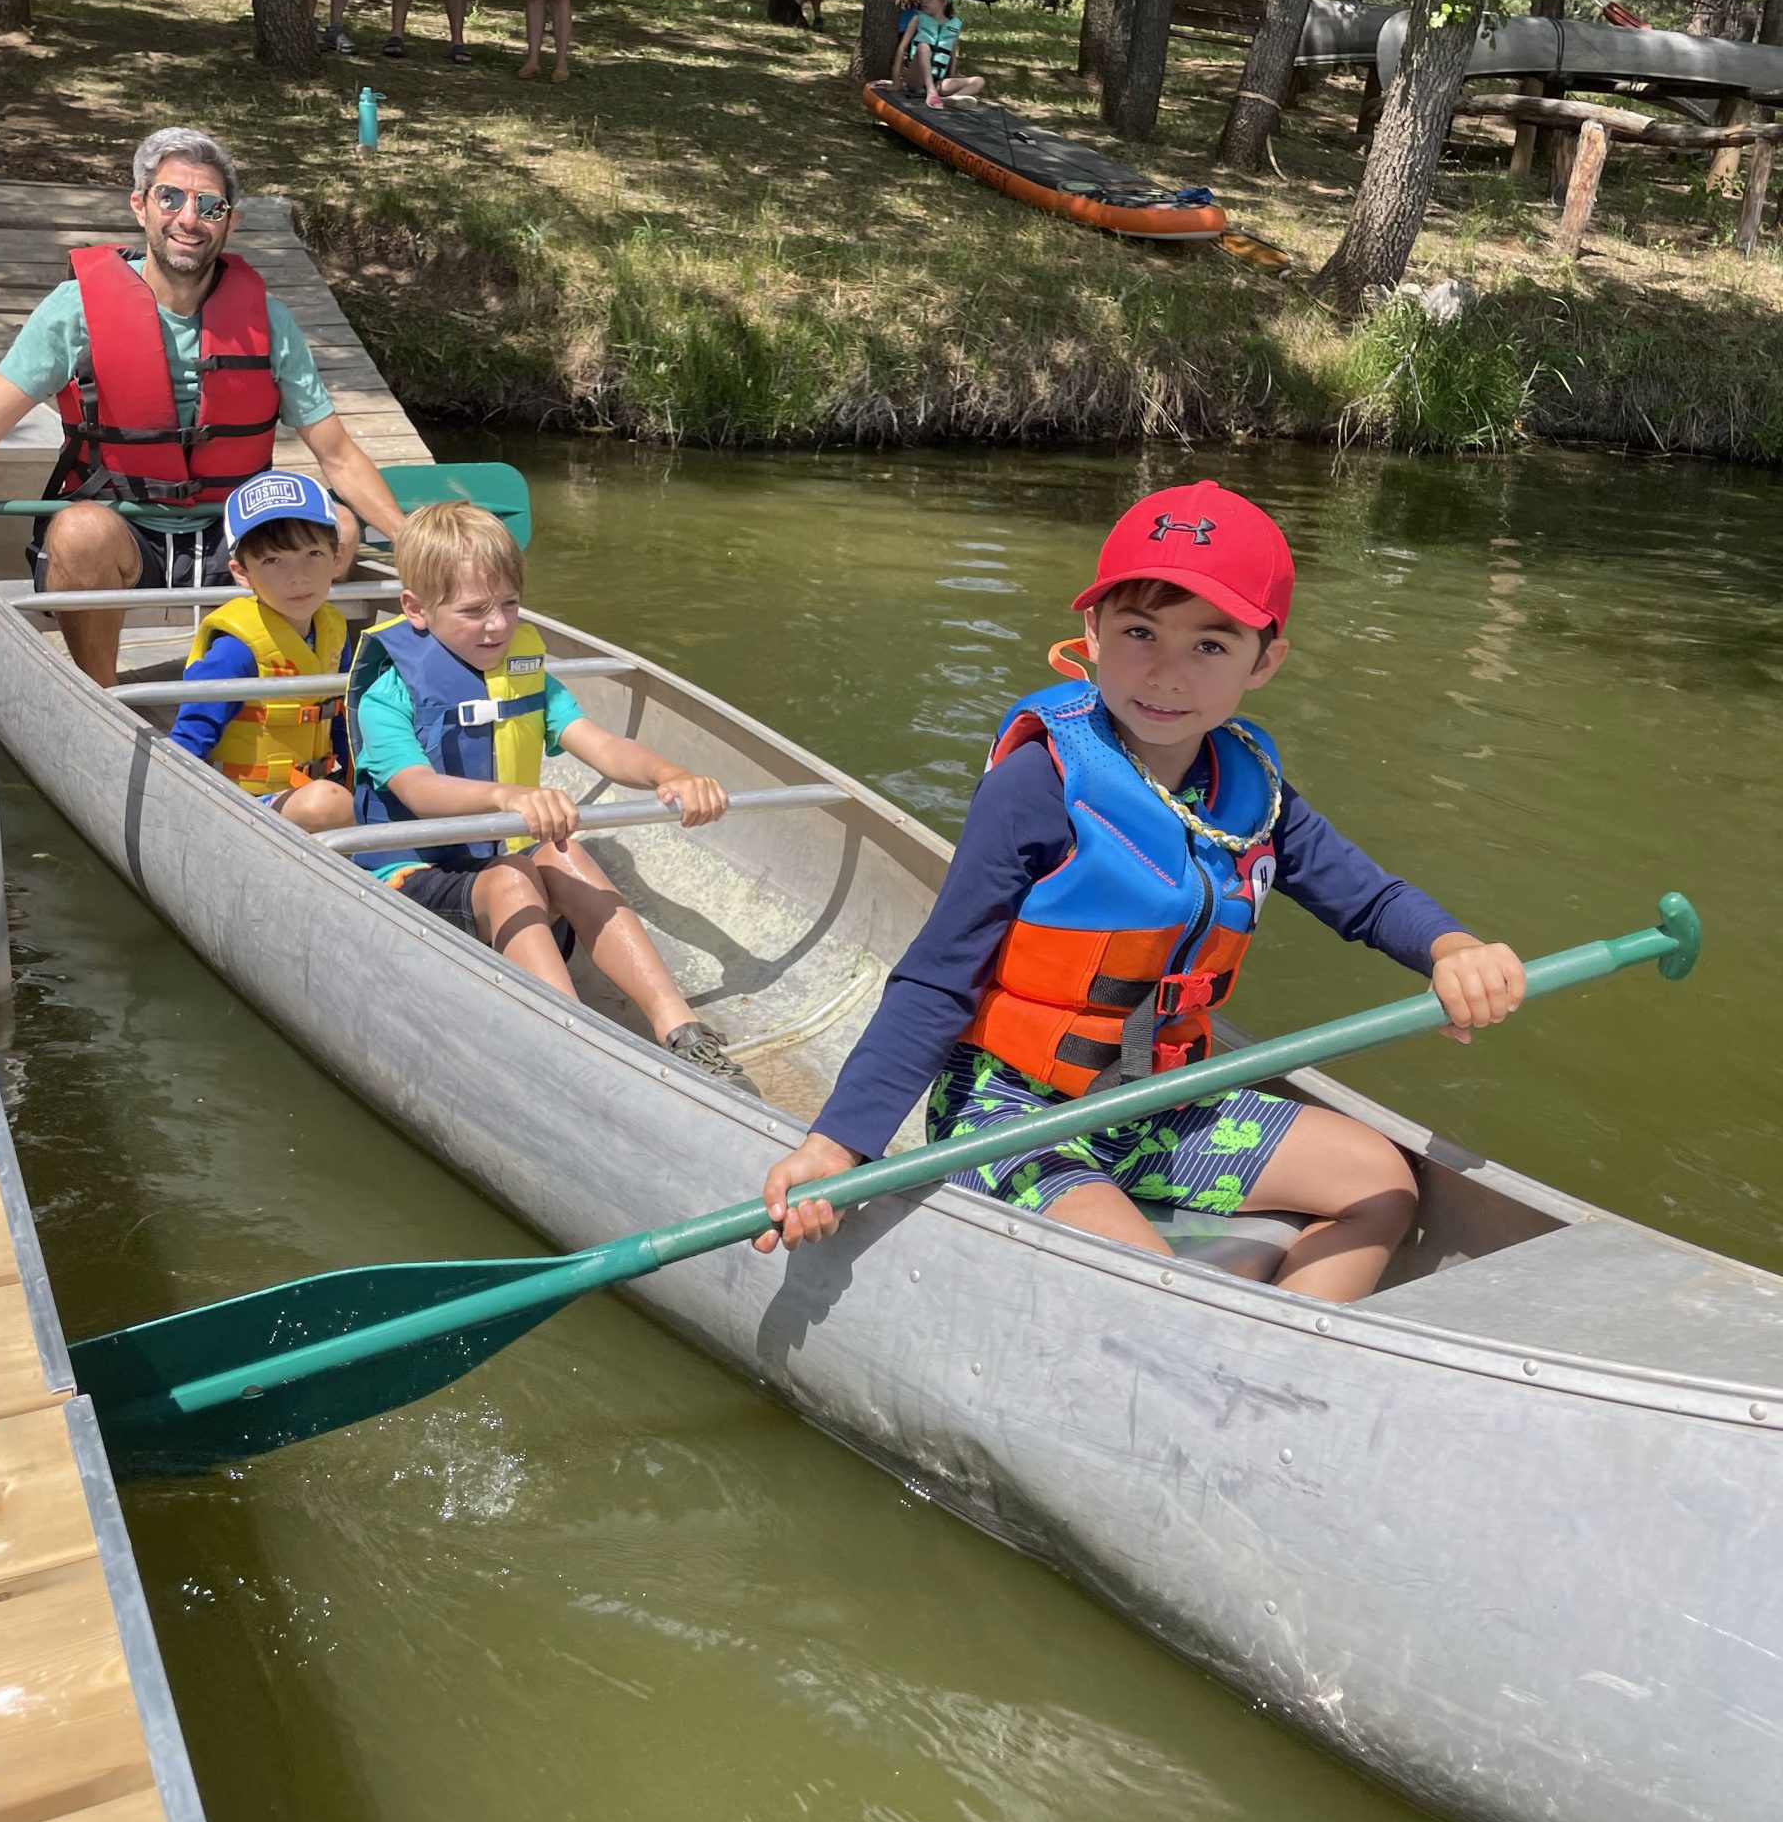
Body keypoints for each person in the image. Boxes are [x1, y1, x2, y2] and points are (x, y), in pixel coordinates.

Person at [756, 482, 1528, 1302]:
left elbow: (1369, 902)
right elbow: (938, 977)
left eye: (1210, 646)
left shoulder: (1254, 793)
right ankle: (1205, 1331)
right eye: (1138, 632)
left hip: (1158, 1102)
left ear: (1264, 662)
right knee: (1147, 1284)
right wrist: (839, 1147)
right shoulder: (1035, 784)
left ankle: (1284, 1349)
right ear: (1090, 634)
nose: (1165, 673)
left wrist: (1454, 951)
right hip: (1013, 1113)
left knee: (1381, 1182)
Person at [0, 126, 408, 683]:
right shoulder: (75, 311)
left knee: (338, 529)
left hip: (235, 535)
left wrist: (408, 540)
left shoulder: (267, 319)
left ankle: (281, 681)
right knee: (79, 533)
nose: (188, 219)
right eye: (170, 197)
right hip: (122, 528)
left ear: (231, 222)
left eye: (209, 205)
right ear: (140, 207)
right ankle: (102, 696)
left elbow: (336, 452)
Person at [345, 501, 758, 1087]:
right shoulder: (390, 695)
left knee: (562, 851)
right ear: (415, 608)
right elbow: (421, 789)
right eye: (473, 611)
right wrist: (508, 796)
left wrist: (670, 774)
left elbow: (602, 745)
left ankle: (681, 1029)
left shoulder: (525, 672)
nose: (497, 625)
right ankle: (570, 1042)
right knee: (514, 876)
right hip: (411, 881)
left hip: (496, 877)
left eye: (510, 604)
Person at [170, 472, 358, 835]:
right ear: (242, 573)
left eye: (313, 554)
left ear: (337, 559)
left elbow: (342, 723)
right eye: (273, 560)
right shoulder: (235, 650)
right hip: (247, 803)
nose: (298, 576)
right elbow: (191, 737)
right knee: (328, 804)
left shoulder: (334, 632)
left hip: (313, 790)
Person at [890, 0, 984, 105]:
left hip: (939, 82)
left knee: (979, 81)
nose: (924, 0)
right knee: (923, 47)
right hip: (915, 81)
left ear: (944, 1)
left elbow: (952, 54)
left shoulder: (954, 26)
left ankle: (951, 100)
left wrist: (952, 77)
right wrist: (896, 80)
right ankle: (931, 93)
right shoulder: (917, 19)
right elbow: (902, 48)